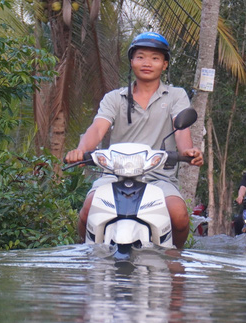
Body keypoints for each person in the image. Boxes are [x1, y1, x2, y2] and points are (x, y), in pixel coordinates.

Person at [64, 32, 203, 249]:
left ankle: (176, 263)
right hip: (114, 174)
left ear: (165, 65)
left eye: (155, 58)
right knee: (89, 208)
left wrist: (188, 151)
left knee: (179, 215)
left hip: (158, 175)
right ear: (132, 61)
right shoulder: (114, 98)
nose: (147, 63)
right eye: (140, 56)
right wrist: (80, 150)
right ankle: (85, 254)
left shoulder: (176, 95)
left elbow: (181, 128)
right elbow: (98, 127)